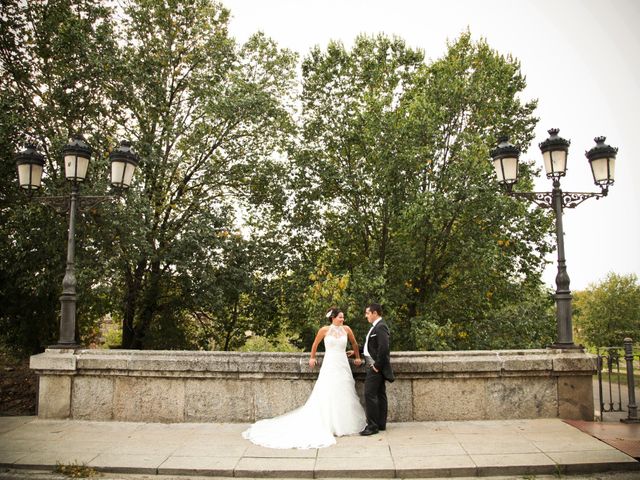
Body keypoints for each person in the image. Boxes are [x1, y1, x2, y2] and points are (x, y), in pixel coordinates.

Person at [242, 308, 366, 449]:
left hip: (342, 364)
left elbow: (354, 344)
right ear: (333, 318)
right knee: (327, 390)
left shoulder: (347, 329)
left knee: (344, 390)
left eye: (343, 317)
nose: (342, 319)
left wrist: (357, 357)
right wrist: (312, 358)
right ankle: (328, 423)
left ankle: (343, 422)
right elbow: (315, 344)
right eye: (340, 317)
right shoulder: (324, 330)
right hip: (330, 363)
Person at [359, 302, 394, 436]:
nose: (366, 315)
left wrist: (377, 366)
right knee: (380, 394)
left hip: (375, 366)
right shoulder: (376, 327)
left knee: (370, 394)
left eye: (367, 313)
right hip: (374, 365)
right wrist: (358, 351)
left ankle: (372, 426)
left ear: (375, 313)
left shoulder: (380, 327)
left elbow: (384, 348)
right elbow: (371, 346)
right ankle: (380, 424)